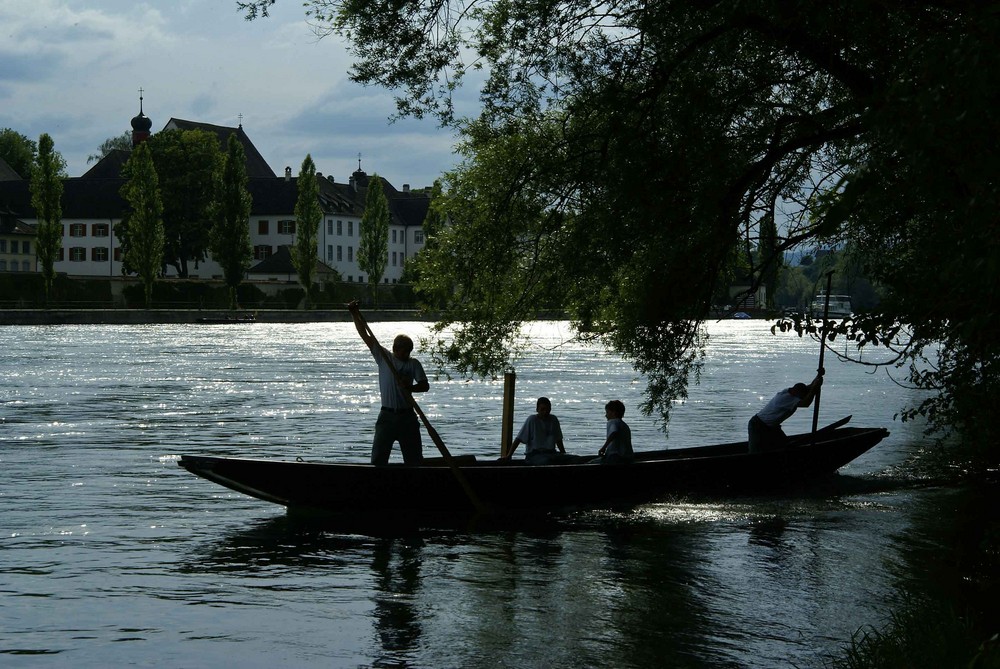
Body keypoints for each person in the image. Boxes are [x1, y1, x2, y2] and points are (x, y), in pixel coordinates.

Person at [348, 301, 429, 465]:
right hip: (387, 416)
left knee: (414, 461)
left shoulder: (413, 364)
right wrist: (354, 313)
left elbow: (424, 385)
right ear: (395, 348)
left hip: (407, 417)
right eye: (404, 351)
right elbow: (364, 335)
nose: (407, 354)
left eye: (409, 351)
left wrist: (410, 387)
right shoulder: (384, 358)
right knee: (378, 460)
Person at [748, 370, 824, 453]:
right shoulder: (787, 399)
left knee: (785, 446)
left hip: (772, 427)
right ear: (797, 393)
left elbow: (808, 388)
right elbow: (806, 403)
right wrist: (814, 390)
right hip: (758, 425)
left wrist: (818, 376)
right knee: (755, 452)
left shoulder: (790, 391)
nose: (802, 398)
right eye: (801, 396)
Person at [503, 397, 580, 465]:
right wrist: (509, 455)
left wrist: (564, 454)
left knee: (575, 459)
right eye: (542, 409)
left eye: (548, 409)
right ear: (537, 409)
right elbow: (519, 439)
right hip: (534, 455)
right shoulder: (532, 420)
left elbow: (558, 440)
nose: (545, 412)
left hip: (551, 453)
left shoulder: (553, 420)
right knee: (547, 462)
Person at [592, 400, 634, 464]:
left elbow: (614, 433)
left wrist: (603, 448)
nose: (606, 415)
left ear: (614, 413)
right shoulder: (624, 425)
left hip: (616, 457)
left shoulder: (613, 422)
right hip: (628, 457)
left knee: (591, 463)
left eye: (607, 412)